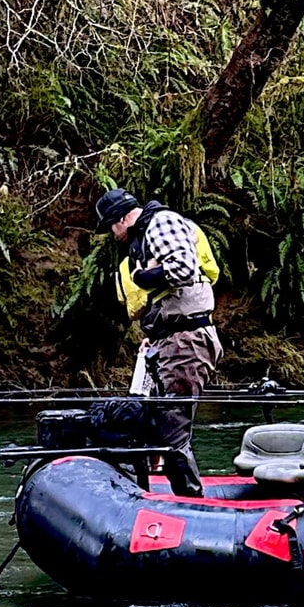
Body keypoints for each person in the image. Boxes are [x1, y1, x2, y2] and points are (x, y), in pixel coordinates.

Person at [95, 187, 223, 496]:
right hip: (170, 342)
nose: (112, 234)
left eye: (112, 225)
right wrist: (152, 337)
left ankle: (190, 503)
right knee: (155, 424)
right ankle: (161, 495)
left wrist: (144, 277)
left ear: (123, 217)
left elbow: (183, 268)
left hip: (186, 341)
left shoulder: (160, 222)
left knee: (172, 430)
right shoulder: (143, 240)